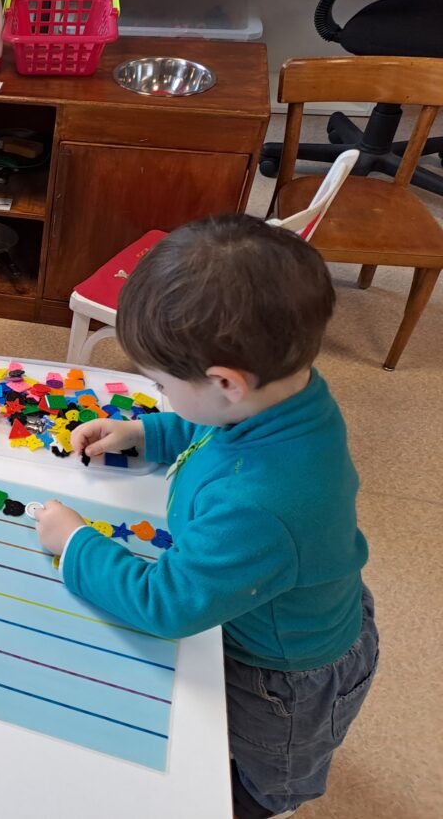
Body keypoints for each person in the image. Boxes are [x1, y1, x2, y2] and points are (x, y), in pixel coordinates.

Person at [34, 214, 378, 819]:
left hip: (283, 679)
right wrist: (147, 432)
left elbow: (167, 605)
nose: (163, 395)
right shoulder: (284, 393)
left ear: (226, 381)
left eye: (162, 385)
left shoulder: (262, 503)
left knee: (266, 780)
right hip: (266, 611)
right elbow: (212, 427)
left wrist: (78, 543)